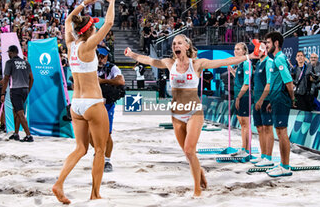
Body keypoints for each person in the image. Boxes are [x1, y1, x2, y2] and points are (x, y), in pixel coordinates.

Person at [125, 34, 260, 196]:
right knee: (188, 153)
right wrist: (132, 55)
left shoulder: (197, 64)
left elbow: (224, 62)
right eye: (174, 43)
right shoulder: (170, 63)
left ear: (187, 47)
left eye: (180, 43)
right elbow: (149, 60)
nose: (176, 45)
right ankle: (200, 171)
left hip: (194, 111)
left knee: (190, 149)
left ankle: (197, 190)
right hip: (176, 113)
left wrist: (249, 56)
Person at [52, 0, 115, 205]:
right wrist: (112, 1)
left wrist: (83, 4)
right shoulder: (89, 46)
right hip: (93, 102)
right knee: (99, 150)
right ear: (89, 29)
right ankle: (95, 193)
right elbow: (110, 22)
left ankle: (59, 183)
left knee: (80, 149)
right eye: (93, 27)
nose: (96, 29)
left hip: (76, 104)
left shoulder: (70, 45)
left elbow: (68, 20)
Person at [265, 31, 295, 177]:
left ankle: (285, 166)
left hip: (282, 99)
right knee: (279, 131)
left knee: (282, 132)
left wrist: (292, 99)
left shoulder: (279, 59)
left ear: (276, 43)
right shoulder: (277, 58)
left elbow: (288, 81)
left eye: (268, 43)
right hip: (277, 99)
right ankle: (283, 164)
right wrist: (272, 100)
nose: (266, 45)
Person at [97, 46, 125, 172]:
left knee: (107, 134)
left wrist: (101, 81)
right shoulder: (90, 66)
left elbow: (121, 81)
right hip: (92, 103)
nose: (100, 58)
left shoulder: (112, 68)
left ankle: (107, 161)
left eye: (102, 56)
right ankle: (99, 152)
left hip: (107, 104)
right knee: (90, 134)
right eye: (98, 56)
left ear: (107, 57)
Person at [0, 45, 34, 142]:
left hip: (16, 90)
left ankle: (28, 135)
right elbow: (32, 78)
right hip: (25, 89)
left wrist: (3, 93)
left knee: (19, 112)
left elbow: (6, 78)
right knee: (17, 111)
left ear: (11, 52)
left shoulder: (10, 62)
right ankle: (16, 134)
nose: (8, 54)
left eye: (9, 53)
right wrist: (28, 90)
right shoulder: (26, 63)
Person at [252, 43, 275, 167]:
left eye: (258, 51)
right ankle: (263, 155)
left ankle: (269, 157)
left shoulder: (269, 62)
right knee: (260, 129)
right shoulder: (259, 63)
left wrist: (261, 100)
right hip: (257, 100)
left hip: (265, 100)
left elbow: (269, 83)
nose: (256, 53)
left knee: (267, 128)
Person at [230, 43, 252, 157]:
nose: (235, 51)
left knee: (245, 124)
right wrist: (232, 71)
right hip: (238, 95)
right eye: (234, 49)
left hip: (244, 96)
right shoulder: (239, 64)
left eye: (238, 49)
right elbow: (239, 79)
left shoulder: (246, 63)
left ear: (244, 52)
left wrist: (239, 97)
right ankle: (243, 148)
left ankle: (247, 150)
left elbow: (247, 83)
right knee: (241, 124)